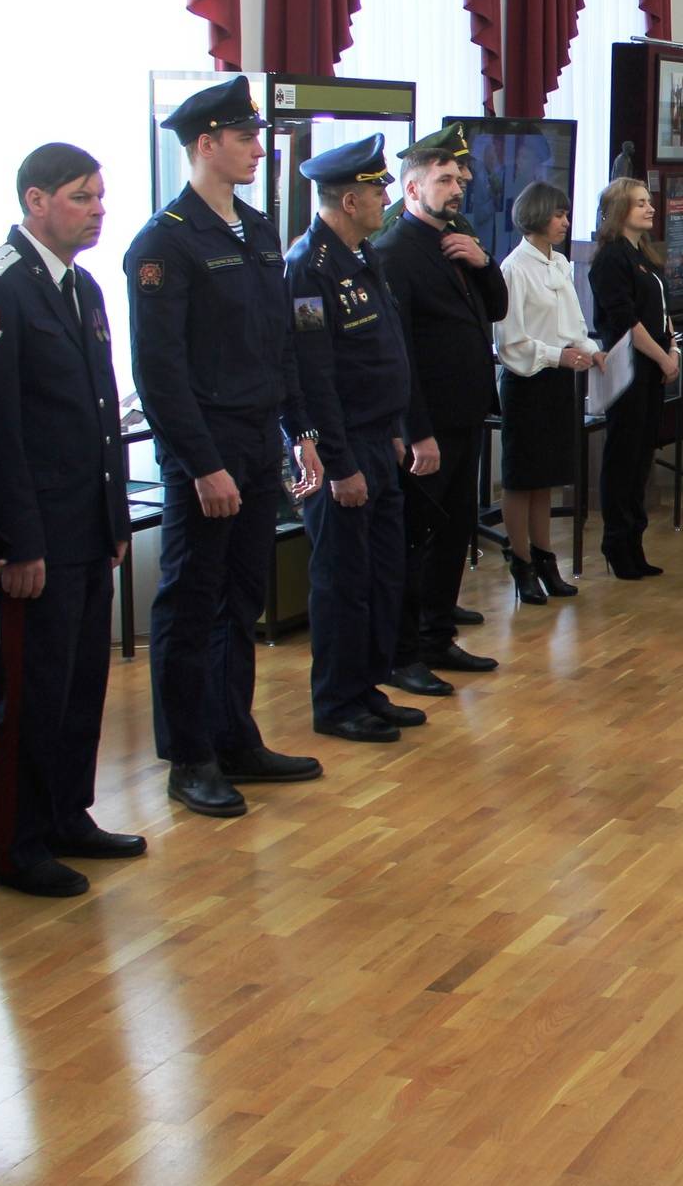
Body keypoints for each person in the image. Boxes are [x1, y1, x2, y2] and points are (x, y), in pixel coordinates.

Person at [124, 77, 326, 819]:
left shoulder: (258, 229)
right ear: (205, 144)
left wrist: (301, 432)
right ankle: (190, 756)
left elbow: (281, 343)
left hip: (256, 438)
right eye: (244, 138)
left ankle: (234, 736)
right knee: (191, 601)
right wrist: (202, 464)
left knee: (241, 597)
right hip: (204, 449)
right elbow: (159, 371)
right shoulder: (165, 241)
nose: (257, 150)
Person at [0, 144, 138, 896]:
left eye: (99, 196)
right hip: (38, 538)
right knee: (33, 691)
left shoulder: (81, 285)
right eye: (82, 197)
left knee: (81, 684)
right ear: (35, 200)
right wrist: (18, 542)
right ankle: (16, 845)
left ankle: (66, 815)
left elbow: (99, 413)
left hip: (85, 526)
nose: (98, 210)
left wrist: (114, 519)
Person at [284, 134, 425, 747]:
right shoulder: (310, 267)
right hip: (342, 448)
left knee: (379, 573)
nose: (385, 200)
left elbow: (380, 352)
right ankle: (338, 701)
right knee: (342, 579)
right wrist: (340, 465)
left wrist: (394, 431)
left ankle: (367, 687)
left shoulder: (362, 255)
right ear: (348, 201)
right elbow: (313, 375)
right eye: (376, 191)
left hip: (376, 438)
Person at [371, 125, 506, 687]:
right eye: (445, 180)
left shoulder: (458, 240)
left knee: (454, 533)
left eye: (459, 179)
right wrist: (416, 430)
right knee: (415, 540)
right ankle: (402, 654)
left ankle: (437, 636)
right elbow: (398, 353)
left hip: (466, 412)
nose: (458, 188)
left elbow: (496, 309)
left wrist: (483, 261)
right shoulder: (393, 253)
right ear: (412, 189)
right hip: (428, 424)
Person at [492, 180, 601, 607]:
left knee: (545, 480)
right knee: (521, 479)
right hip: (527, 381)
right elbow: (511, 342)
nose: (565, 222)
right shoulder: (514, 268)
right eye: (558, 214)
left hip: (558, 379)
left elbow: (573, 323)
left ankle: (545, 558)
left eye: (566, 214)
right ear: (537, 216)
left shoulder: (558, 263)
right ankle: (520, 563)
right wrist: (560, 356)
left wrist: (592, 350)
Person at [588, 173, 681, 581]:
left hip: (653, 366)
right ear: (619, 210)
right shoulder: (611, 258)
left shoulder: (643, 253)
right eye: (641, 202)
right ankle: (617, 542)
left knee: (642, 457)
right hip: (629, 368)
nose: (650, 208)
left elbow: (661, 312)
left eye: (649, 201)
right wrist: (662, 358)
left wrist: (672, 350)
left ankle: (635, 541)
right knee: (623, 458)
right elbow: (626, 322)